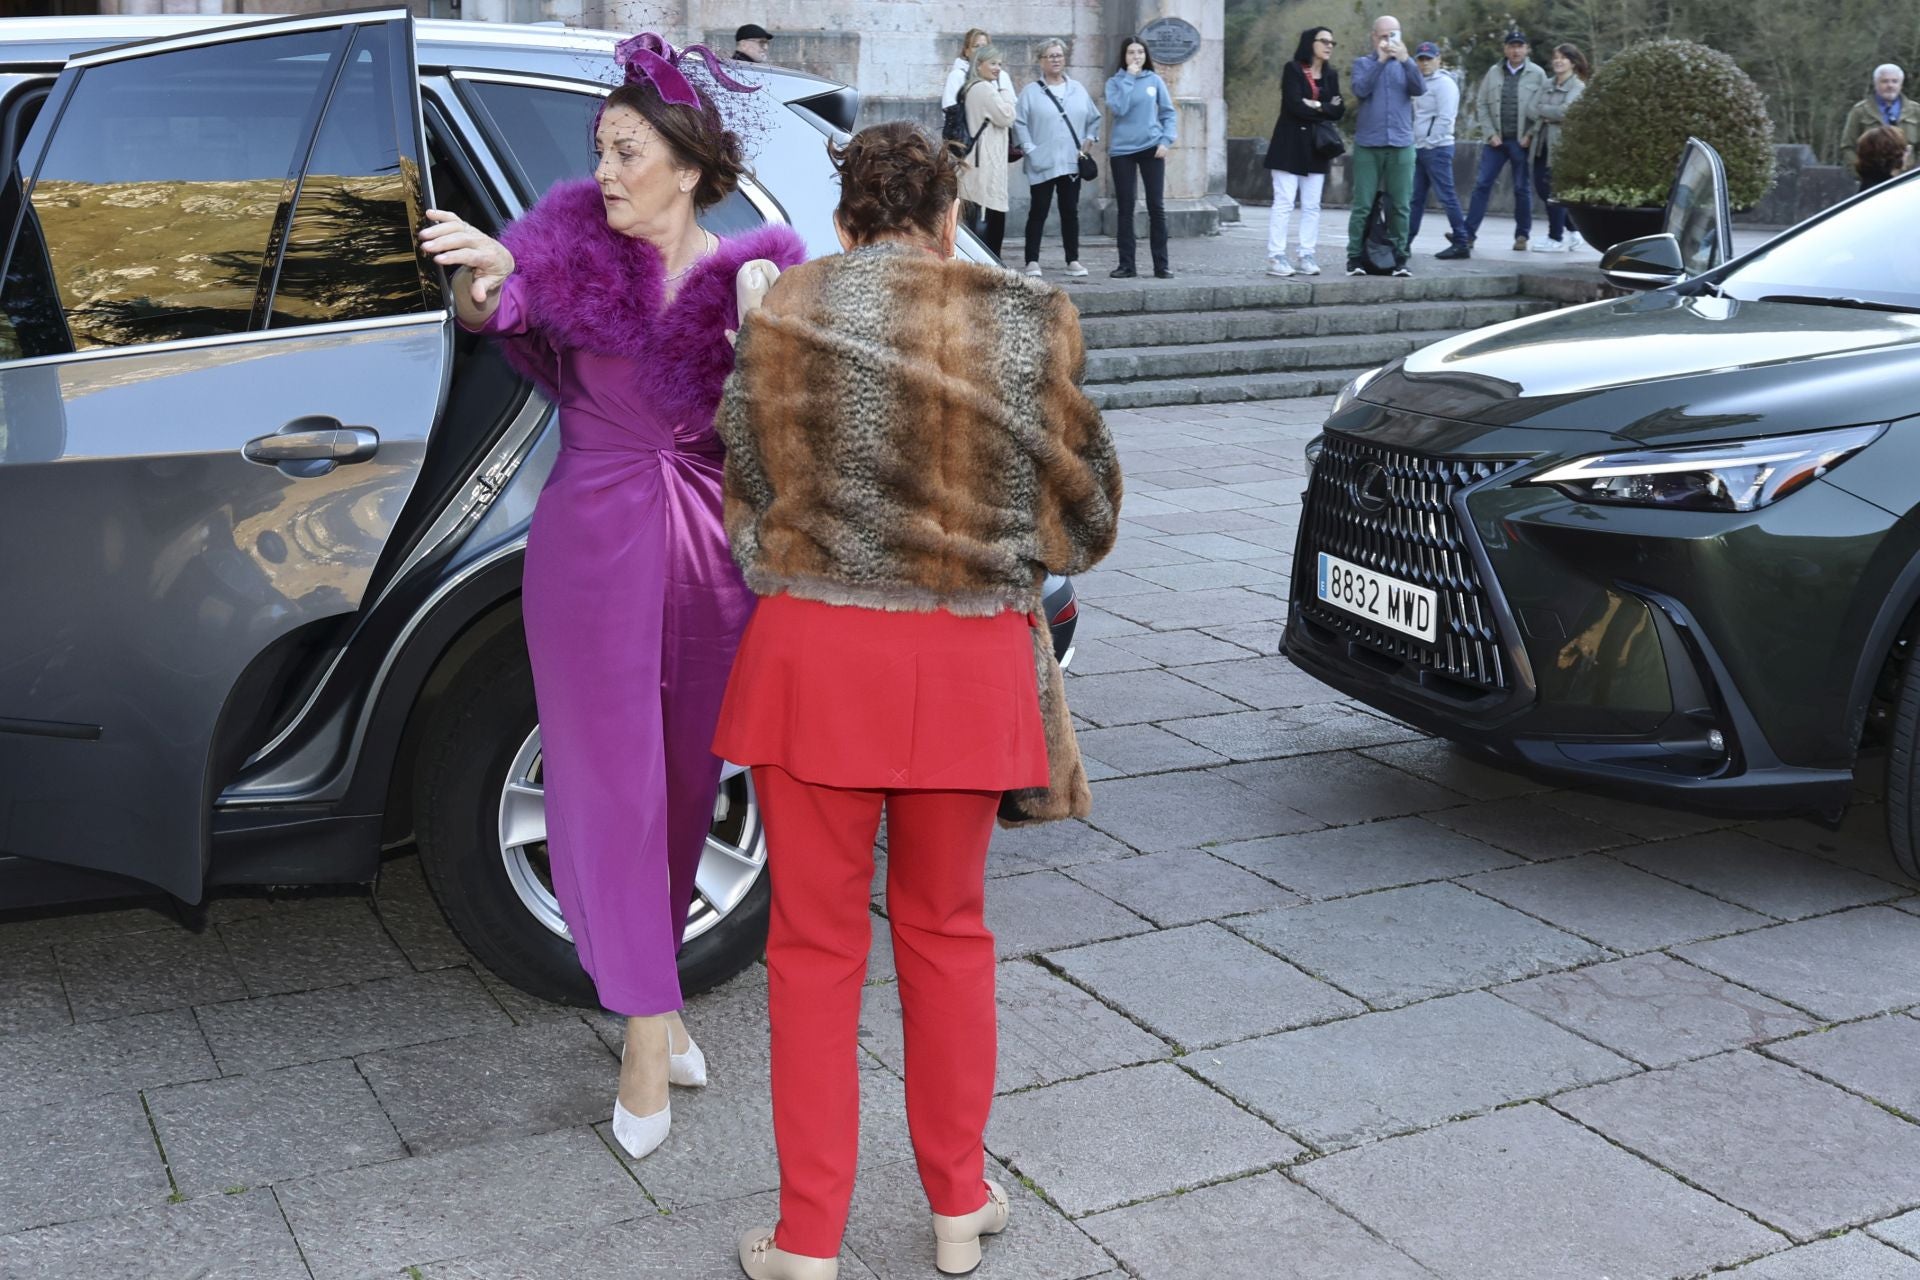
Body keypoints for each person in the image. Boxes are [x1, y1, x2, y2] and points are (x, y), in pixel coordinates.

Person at [713, 120, 1122, 1280]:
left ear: (845, 218)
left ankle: (806, 1237)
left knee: (811, 947)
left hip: (816, 656)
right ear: (952, 217)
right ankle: (956, 1204)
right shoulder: (1026, 316)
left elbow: (743, 481)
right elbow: (1086, 517)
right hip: (965, 660)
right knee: (949, 935)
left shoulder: (785, 308)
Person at [417, 34, 806, 1162]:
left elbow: (795, 421)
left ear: (686, 166)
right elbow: (501, 299)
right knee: (606, 787)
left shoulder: (755, 267)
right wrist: (479, 280)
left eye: (628, 151)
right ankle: (643, 1027)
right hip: (590, 552)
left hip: (711, 565)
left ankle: (658, 995)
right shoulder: (564, 247)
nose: (606, 170)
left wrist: (767, 328)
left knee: (686, 788)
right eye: (601, 149)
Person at [1449, 29, 1548, 258]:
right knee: (1482, 184)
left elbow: (1543, 107)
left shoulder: (1538, 74)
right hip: (1496, 141)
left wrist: (1531, 134)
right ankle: (1468, 234)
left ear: (1526, 49)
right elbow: (1482, 104)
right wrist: (1490, 133)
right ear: (1505, 49)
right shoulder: (1493, 73)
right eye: (1512, 46)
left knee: (1521, 188)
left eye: (1520, 46)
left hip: (1521, 141)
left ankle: (1522, 236)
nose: (1515, 50)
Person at [1014, 38, 1101, 278]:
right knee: (1038, 210)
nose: (1055, 60)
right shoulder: (1031, 92)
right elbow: (1019, 122)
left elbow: (1094, 117)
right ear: (1041, 61)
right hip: (1042, 162)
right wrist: (1030, 148)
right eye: (1050, 56)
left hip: (1071, 162)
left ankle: (1072, 260)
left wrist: (1090, 139)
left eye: (1059, 55)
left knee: (1069, 211)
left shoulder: (1078, 89)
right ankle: (1032, 260)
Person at [1347, 14, 1426, 277]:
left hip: (1401, 143)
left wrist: (1405, 60)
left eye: (1393, 35)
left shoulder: (1407, 64)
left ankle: (1400, 258)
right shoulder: (1362, 63)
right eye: (1383, 36)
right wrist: (1381, 61)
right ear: (1373, 37)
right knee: (1363, 204)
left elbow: (1420, 88)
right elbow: (1361, 89)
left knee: (1401, 204)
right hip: (1368, 144)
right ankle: (1355, 258)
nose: (1388, 40)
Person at [1263, 27, 1344, 277]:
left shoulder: (1331, 75)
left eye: (1332, 42)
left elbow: (1339, 111)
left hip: (1316, 148)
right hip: (1289, 145)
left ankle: (1306, 253)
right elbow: (1294, 106)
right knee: (1284, 202)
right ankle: (1276, 256)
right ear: (1311, 43)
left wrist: (1317, 104)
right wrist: (1324, 108)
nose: (1329, 46)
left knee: (1312, 205)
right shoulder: (1294, 69)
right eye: (1324, 41)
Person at [1106, 35, 1179, 278]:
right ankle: (1127, 265)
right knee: (1126, 208)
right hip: (1122, 151)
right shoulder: (1115, 82)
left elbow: (1168, 113)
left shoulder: (1155, 81)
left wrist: (1166, 140)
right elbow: (1119, 109)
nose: (1136, 56)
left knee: (1156, 207)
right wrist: (1129, 77)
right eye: (1131, 52)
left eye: (1140, 52)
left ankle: (1162, 265)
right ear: (1123, 56)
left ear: (1145, 55)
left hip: (1152, 148)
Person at [956, 43, 1017, 260]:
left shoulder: (973, 88)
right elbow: (1007, 116)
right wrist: (1006, 93)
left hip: (981, 166)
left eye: (1000, 63)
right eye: (992, 63)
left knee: (981, 223)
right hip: (984, 170)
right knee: (989, 228)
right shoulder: (983, 89)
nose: (998, 68)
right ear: (979, 65)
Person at [1527, 42, 1590, 252]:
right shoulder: (1547, 83)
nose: (1558, 61)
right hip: (1541, 143)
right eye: (1556, 57)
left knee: (1553, 192)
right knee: (1542, 190)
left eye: (1563, 58)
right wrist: (1548, 114)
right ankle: (1574, 231)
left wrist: (1545, 112)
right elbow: (1531, 109)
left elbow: (1566, 112)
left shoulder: (1578, 87)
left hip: (1561, 146)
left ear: (1572, 62)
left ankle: (1555, 237)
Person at [1407, 40, 1467, 253]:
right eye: (1421, 59)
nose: (1425, 64)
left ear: (1438, 59)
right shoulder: (1419, 82)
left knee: (1446, 196)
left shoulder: (1444, 84)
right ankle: (1405, 242)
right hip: (1420, 148)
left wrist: (1429, 142)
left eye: (1429, 59)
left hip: (1437, 148)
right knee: (1415, 198)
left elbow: (1446, 118)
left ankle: (1461, 241)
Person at [1842, 64, 1920, 175]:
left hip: (1907, 182)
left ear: (1901, 84)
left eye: (1894, 81)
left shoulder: (1916, 111)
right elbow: (1848, 147)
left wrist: (1914, 175)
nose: (1890, 85)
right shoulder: (1860, 111)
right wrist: (1860, 174)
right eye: (1885, 81)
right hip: (1871, 181)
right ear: (1876, 83)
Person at [941, 28, 1014, 111]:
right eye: (976, 46)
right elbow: (949, 108)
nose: (980, 50)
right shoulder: (957, 76)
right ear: (967, 51)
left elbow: (1013, 106)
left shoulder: (1001, 76)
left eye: (984, 47)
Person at [1856, 123, 1914, 189]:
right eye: (1905, 149)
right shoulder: (1890, 191)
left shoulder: (1868, 188)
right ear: (1895, 155)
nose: (1908, 154)